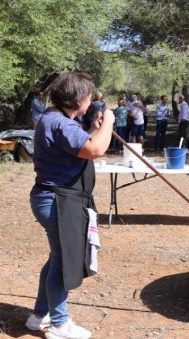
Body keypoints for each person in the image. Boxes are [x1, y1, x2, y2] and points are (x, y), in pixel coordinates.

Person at [27, 72, 113, 339]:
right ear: (79, 99)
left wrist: (94, 129)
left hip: (53, 199)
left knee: (57, 259)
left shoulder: (56, 120)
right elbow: (94, 150)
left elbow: (79, 145)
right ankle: (60, 325)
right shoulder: (61, 124)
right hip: (57, 201)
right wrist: (108, 121)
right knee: (64, 263)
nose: (90, 101)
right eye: (88, 96)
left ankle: (39, 316)